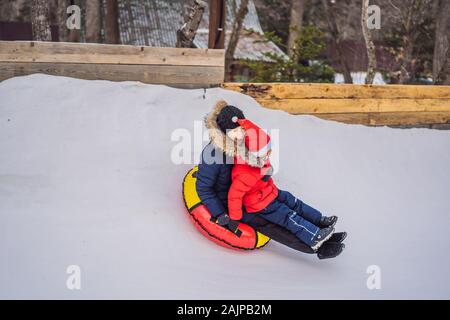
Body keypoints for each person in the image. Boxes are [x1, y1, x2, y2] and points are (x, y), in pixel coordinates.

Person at [196, 100, 345, 258]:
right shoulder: (213, 154)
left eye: (241, 129)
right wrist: (220, 214)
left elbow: (257, 158)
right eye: (235, 131)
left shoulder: (240, 142)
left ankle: (320, 227)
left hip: (252, 190)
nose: (240, 134)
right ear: (225, 131)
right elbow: (203, 188)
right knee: (273, 222)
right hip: (233, 202)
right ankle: (317, 248)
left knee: (288, 201)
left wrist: (265, 171)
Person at [227, 118, 334, 251]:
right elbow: (234, 196)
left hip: (269, 192)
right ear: (255, 154)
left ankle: (319, 220)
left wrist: (266, 173)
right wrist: (235, 218)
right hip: (261, 204)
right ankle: (313, 236)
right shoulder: (244, 173)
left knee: (294, 201)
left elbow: (261, 171)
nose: (270, 153)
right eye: (267, 151)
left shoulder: (257, 159)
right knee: (288, 216)